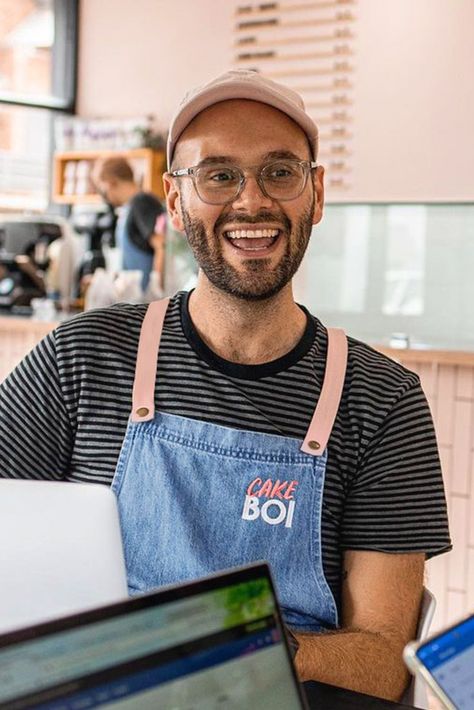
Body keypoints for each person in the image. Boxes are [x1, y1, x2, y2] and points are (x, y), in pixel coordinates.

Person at [0, 70, 450, 701]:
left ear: (315, 193)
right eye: (218, 175)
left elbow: (384, 663)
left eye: (280, 171)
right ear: (175, 202)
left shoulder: (382, 402)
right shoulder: (79, 360)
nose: (251, 202)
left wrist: (249, 645)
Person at [95, 156, 165, 291]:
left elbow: (161, 245)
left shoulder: (142, 202)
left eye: (103, 191)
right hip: (136, 302)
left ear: (111, 183)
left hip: (147, 303)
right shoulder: (128, 208)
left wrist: (157, 293)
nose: (105, 197)